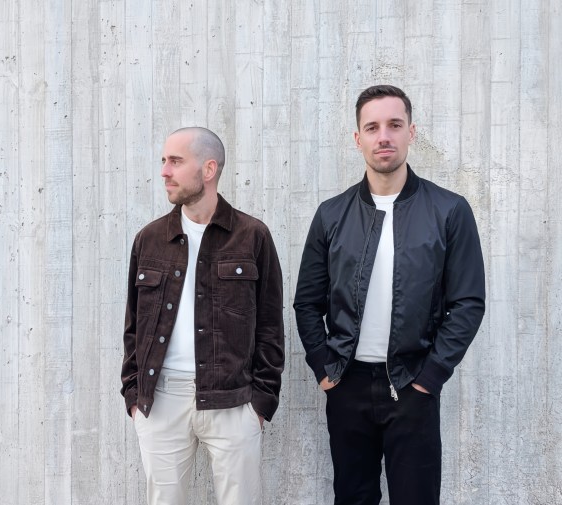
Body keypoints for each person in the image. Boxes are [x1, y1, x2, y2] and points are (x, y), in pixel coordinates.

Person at [293, 84, 485, 505]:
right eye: (373, 127)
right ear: (357, 138)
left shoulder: (449, 210)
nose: (384, 136)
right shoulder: (331, 215)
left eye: (395, 125)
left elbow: (468, 302)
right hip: (347, 384)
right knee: (353, 497)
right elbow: (307, 301)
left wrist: (431, 377)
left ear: (411, 132)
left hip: (414, 383)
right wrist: (324, 368)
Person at [121, 126, 285, 505]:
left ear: (208, 169)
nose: (164, 171)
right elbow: (133, 326)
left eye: (176, 161)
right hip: (161, 399)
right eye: (164, 161)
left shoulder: (252, 236)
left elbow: (270, 327)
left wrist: (259, 404)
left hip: (234, 400)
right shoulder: (149, 239)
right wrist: (133, 394)